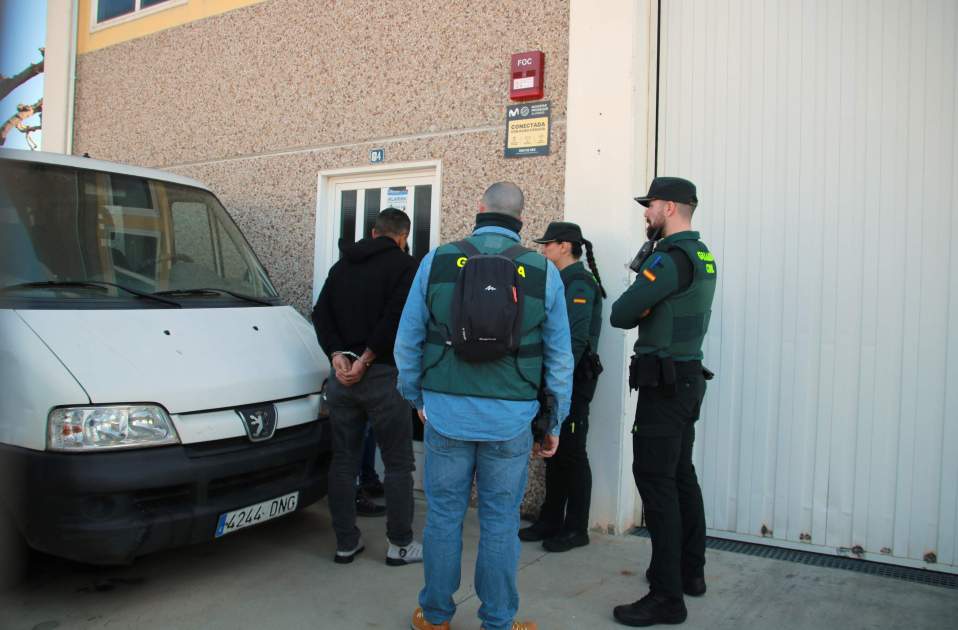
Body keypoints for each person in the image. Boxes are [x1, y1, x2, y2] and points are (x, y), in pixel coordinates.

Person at [395, 182, 574, 630]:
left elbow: (407, 339)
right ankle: (497, 621)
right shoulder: (543, 270)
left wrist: (417, 397)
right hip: (510, 417)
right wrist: (554, 420)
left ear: (479, 209)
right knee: (499, 522)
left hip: (446, 413)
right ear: (521, 218)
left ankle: (435, 616)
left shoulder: (437, 260)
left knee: (443, 517)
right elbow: (559, 356)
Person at [609, 177, 717, 626]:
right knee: (680, 476)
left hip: (666, 385)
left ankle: (667, 597)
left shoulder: (669, 260)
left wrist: (643, 303)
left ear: (669, 207)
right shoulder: (701, 254)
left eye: (650, 205)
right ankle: (690, 573)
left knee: (656, 481)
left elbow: (620, 313)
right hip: (686, 380)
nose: (646, 212)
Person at [311, 207, 422, 566]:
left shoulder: (342, 265)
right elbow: (395, 318)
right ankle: (400, 545)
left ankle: (346, 543)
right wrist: (366, 358)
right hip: (383, 376)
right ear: (402, 237)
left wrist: (336, 355)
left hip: (342, 378)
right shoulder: (406, 266)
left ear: (374, 233)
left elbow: (320, 313)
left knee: (343, 461)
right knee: (398, 463)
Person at [519, 221, 606, 552]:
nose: (544, 250)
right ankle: (551, 520)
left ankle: (576, 528)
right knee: (554, 455)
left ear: (565, 246)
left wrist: (559, 385)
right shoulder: (560, 280)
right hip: (557, 383)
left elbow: (575, 341)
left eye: (548, 244)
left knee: (572, 454)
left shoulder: (579, 282)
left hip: (573, 383)